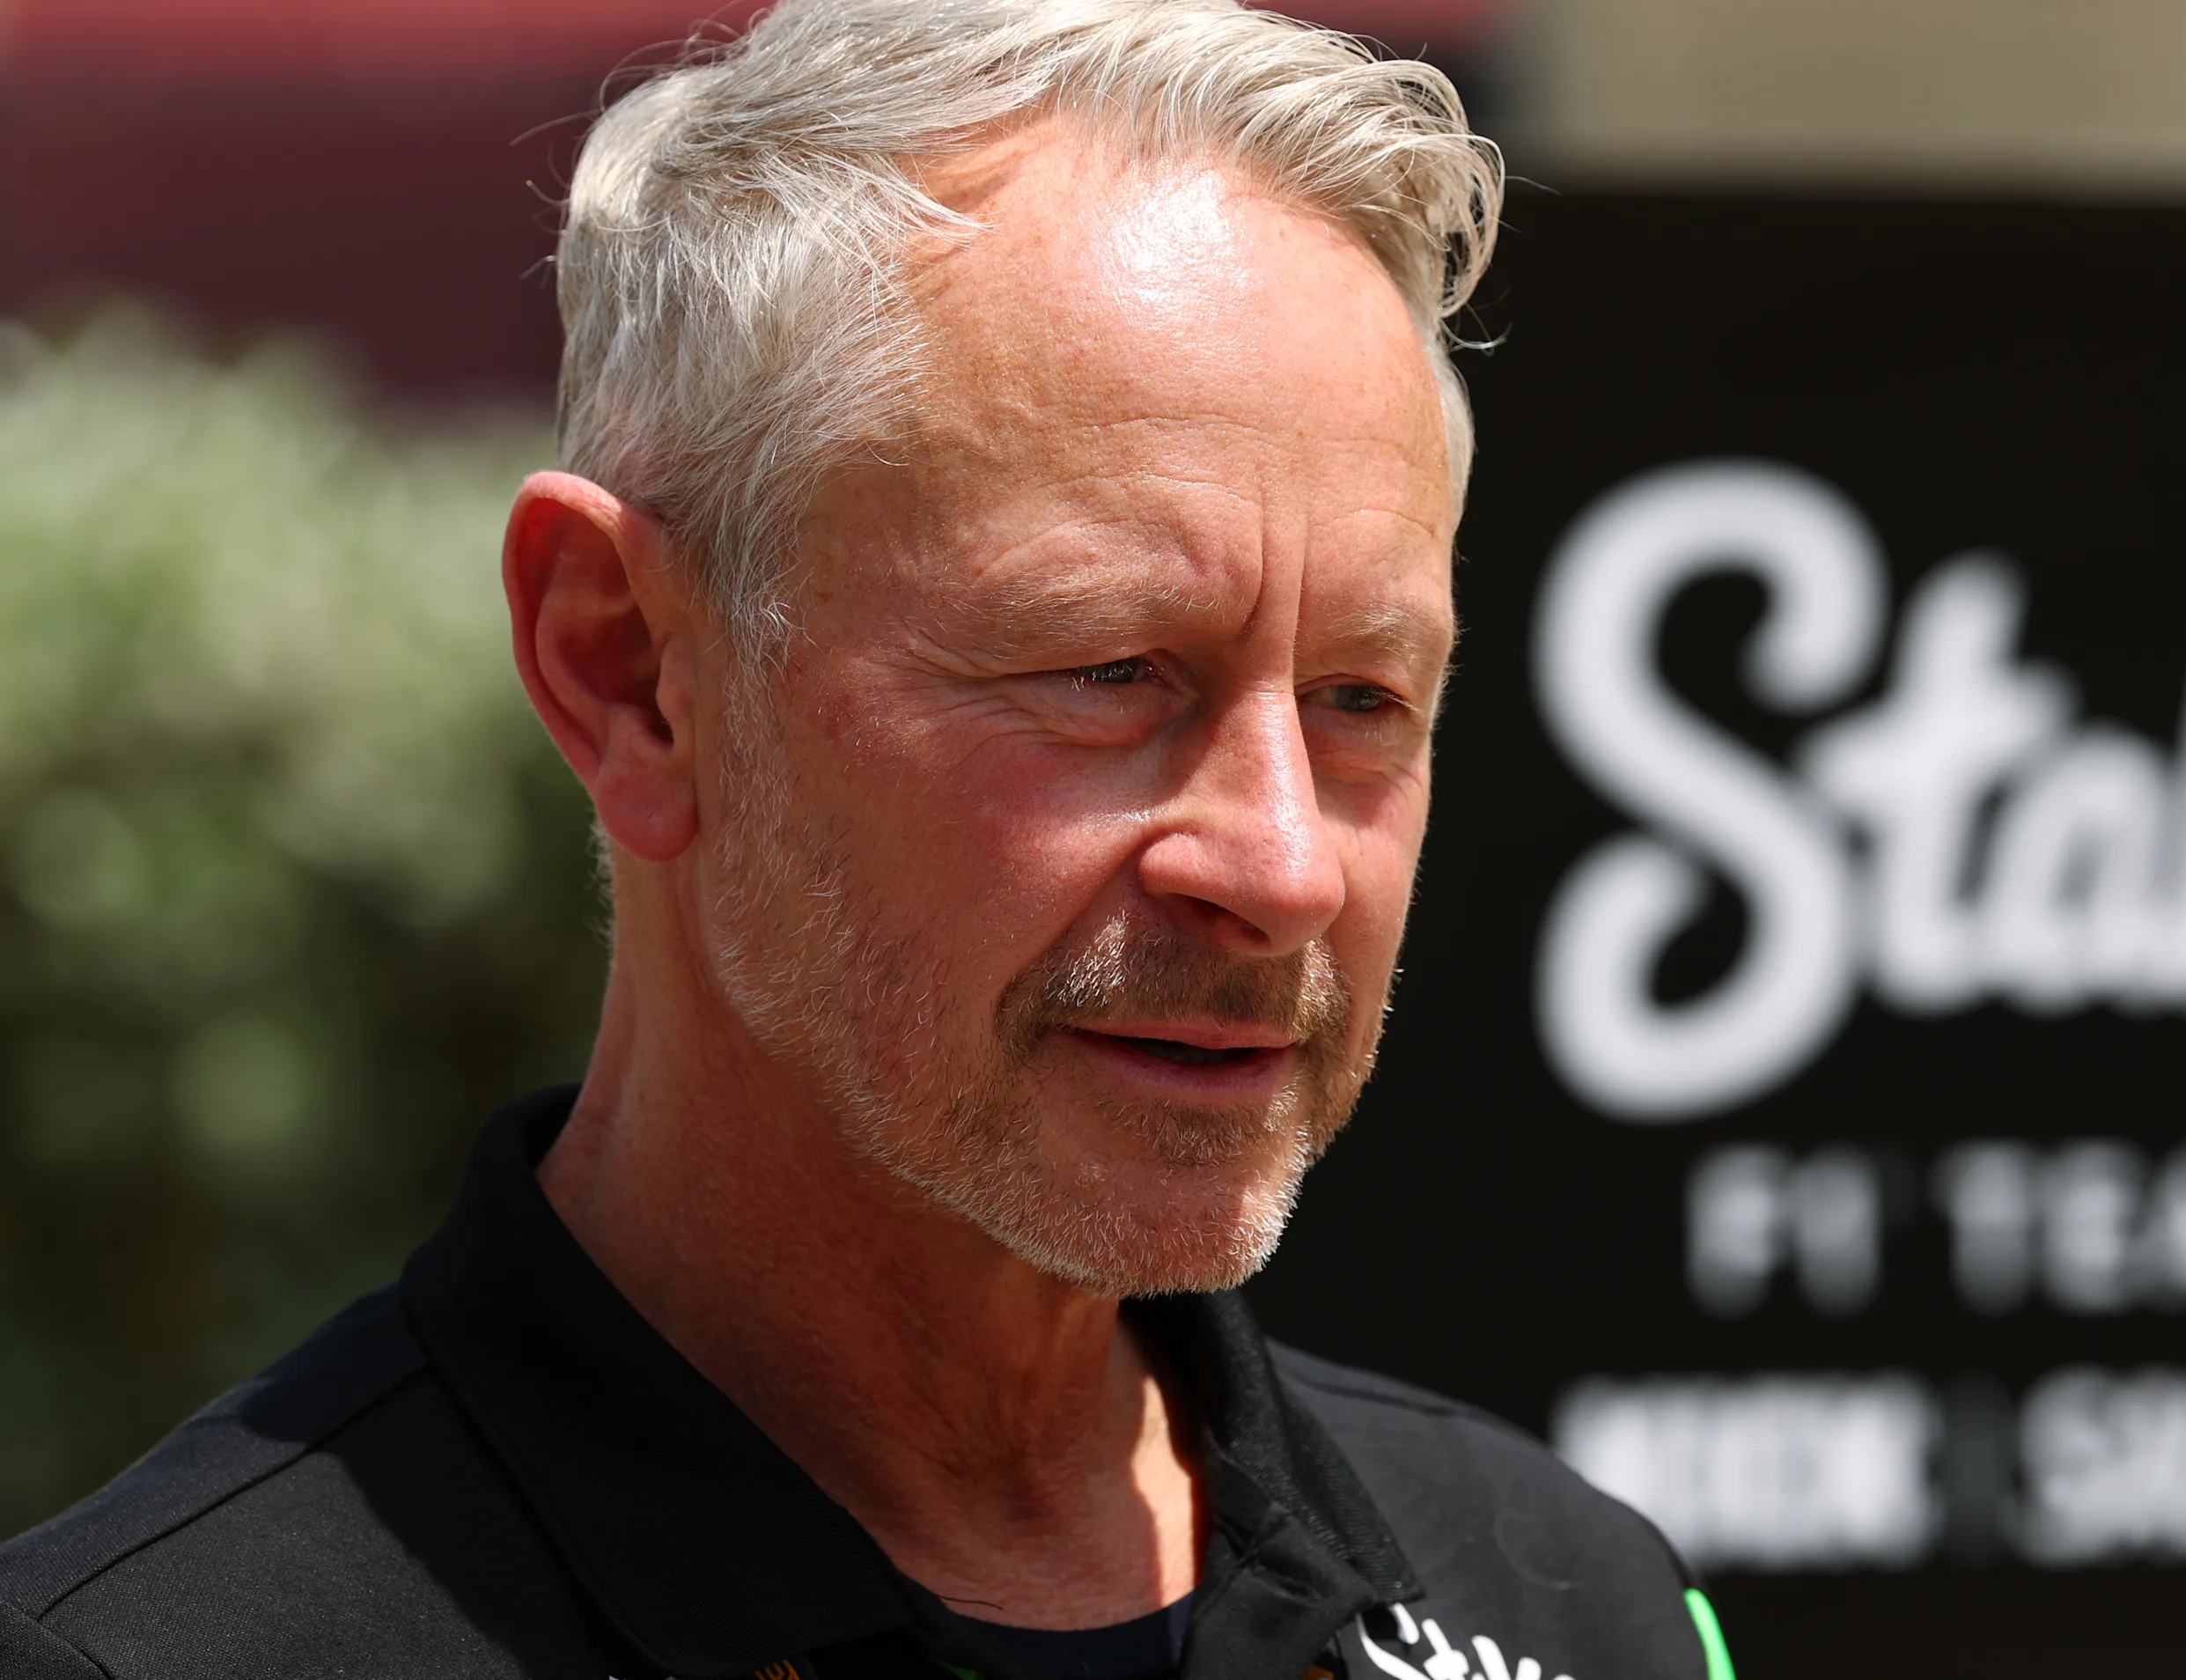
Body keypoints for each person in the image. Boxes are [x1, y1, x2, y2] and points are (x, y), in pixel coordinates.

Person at [0, 4, 1730, 1676]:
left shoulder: (1583, 1605)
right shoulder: (166, 1649)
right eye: (1111, 672)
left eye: (1362, 699)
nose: (1281, 870)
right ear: (630, 673)